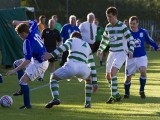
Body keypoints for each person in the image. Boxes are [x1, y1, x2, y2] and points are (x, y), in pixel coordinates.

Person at [42, 31, 98, 108]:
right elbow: (92, 65)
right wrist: (95, 82)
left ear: (73, 37)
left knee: (53, 77)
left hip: (72, 65)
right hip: (83, 68)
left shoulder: (72, 40)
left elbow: (62, 48)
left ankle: (56, 98)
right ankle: (88, 103)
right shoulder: (87, 45)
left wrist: (51, 55)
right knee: (89, 80)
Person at [6, 20, 49, 109]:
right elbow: (33, 22)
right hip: (38, 58)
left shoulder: (27, 42)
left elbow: (27, 61)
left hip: (40, 63)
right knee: (16, 63)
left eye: (19, 34)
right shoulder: (33, 30)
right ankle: (22, 89)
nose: (19, 36)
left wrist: (14, 70)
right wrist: (19, 22)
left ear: (22, 33)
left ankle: (27, 105)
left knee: (22, 81)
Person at [97, 6, 135, 104]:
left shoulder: (122, 26)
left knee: (113, 73)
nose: (108, 19)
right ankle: (117, 95)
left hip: (121, 52)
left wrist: (131, 50)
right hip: (112, 52)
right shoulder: (108, 27)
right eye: (107, 17)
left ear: (115, 16)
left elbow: (131, 39)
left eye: (110, 16)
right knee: (108, 76)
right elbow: (105, 40)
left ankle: (113, 96)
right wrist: (100, 50)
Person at [124, 16, 159, 99]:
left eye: (134, 24)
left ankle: (142, 90)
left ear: (137, 24)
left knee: (143, 71)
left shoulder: (143, 32)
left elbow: (149, 40)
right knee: (128, 77)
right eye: (130, 24)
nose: (132, 25)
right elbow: (123, 45)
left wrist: (156, 47)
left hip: (141, 57)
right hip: (130, 58)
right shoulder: (126, 33)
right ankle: (127, 93)